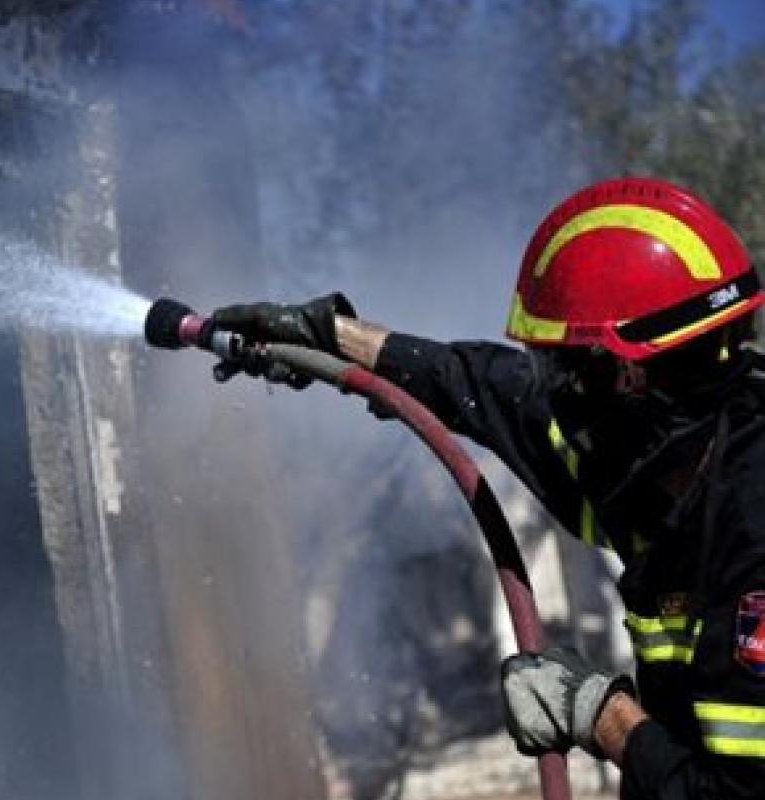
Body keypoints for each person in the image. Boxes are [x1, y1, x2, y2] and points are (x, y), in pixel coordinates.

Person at [210, 177, 765, 799]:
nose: (554, 392)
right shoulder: (675, 455)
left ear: (628, 377)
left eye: (566, 370)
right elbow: (494, 391)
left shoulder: (750, 534)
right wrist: (337, 339)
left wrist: (602, 714)